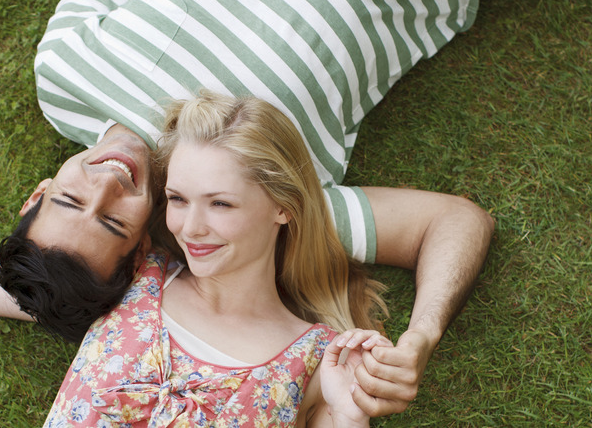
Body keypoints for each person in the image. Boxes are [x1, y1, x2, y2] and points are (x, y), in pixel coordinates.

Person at [0, 0, 495, 418]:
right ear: (143, 249)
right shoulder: (257, 200)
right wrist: (420, 335)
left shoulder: (64, 73)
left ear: (38, 192)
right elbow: (454, 221)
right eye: (112, 218)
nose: (105, 181)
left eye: (69, 199)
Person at [45, 91, 392, 427]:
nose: (191, 229)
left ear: (283, 206)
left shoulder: (319, 359)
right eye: (178, 199)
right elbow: (13, 287)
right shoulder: (136, 273)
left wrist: (349, 417)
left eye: (220, 204)